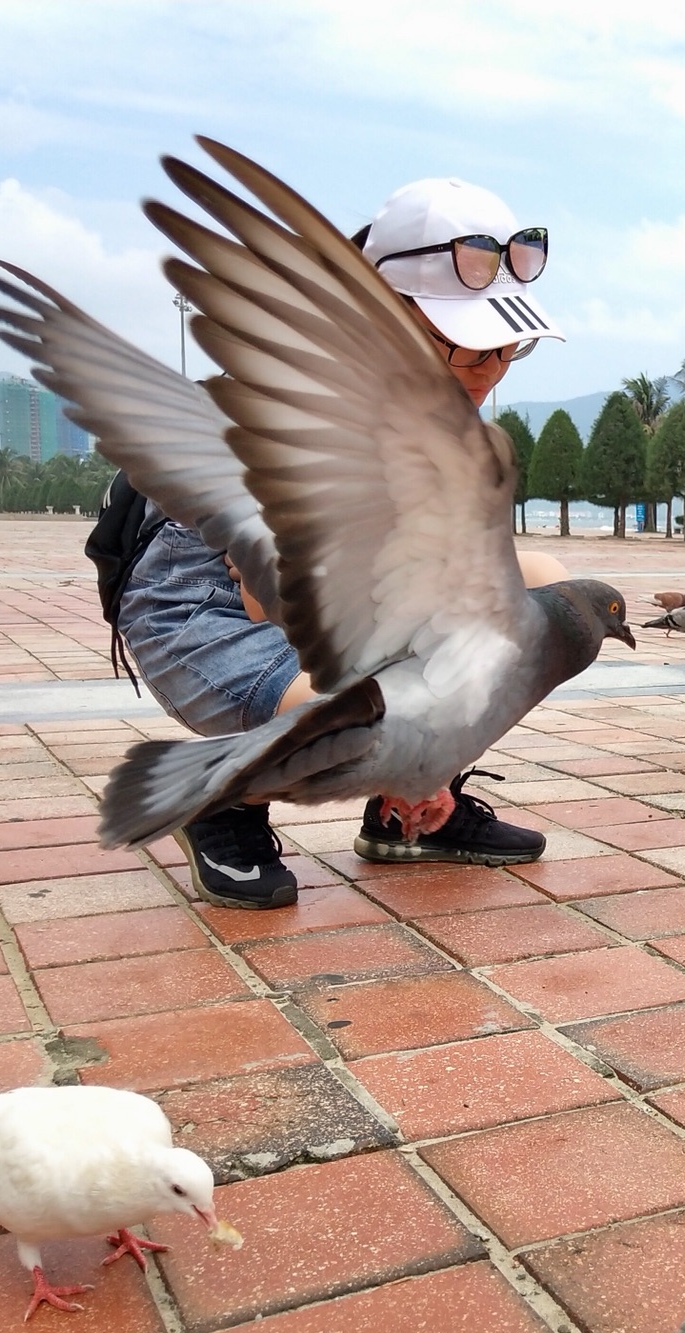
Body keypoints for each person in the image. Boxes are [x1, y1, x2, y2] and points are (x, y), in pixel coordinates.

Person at [116, 177, 566, 909]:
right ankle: (224, 792)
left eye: (505, 351)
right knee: (370, 703)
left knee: (542, 598)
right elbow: (276, 603)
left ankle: (403, 812)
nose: (488, 373)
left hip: (320, 608)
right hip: (208, 611)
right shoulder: (310, 412)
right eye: (465, 349)